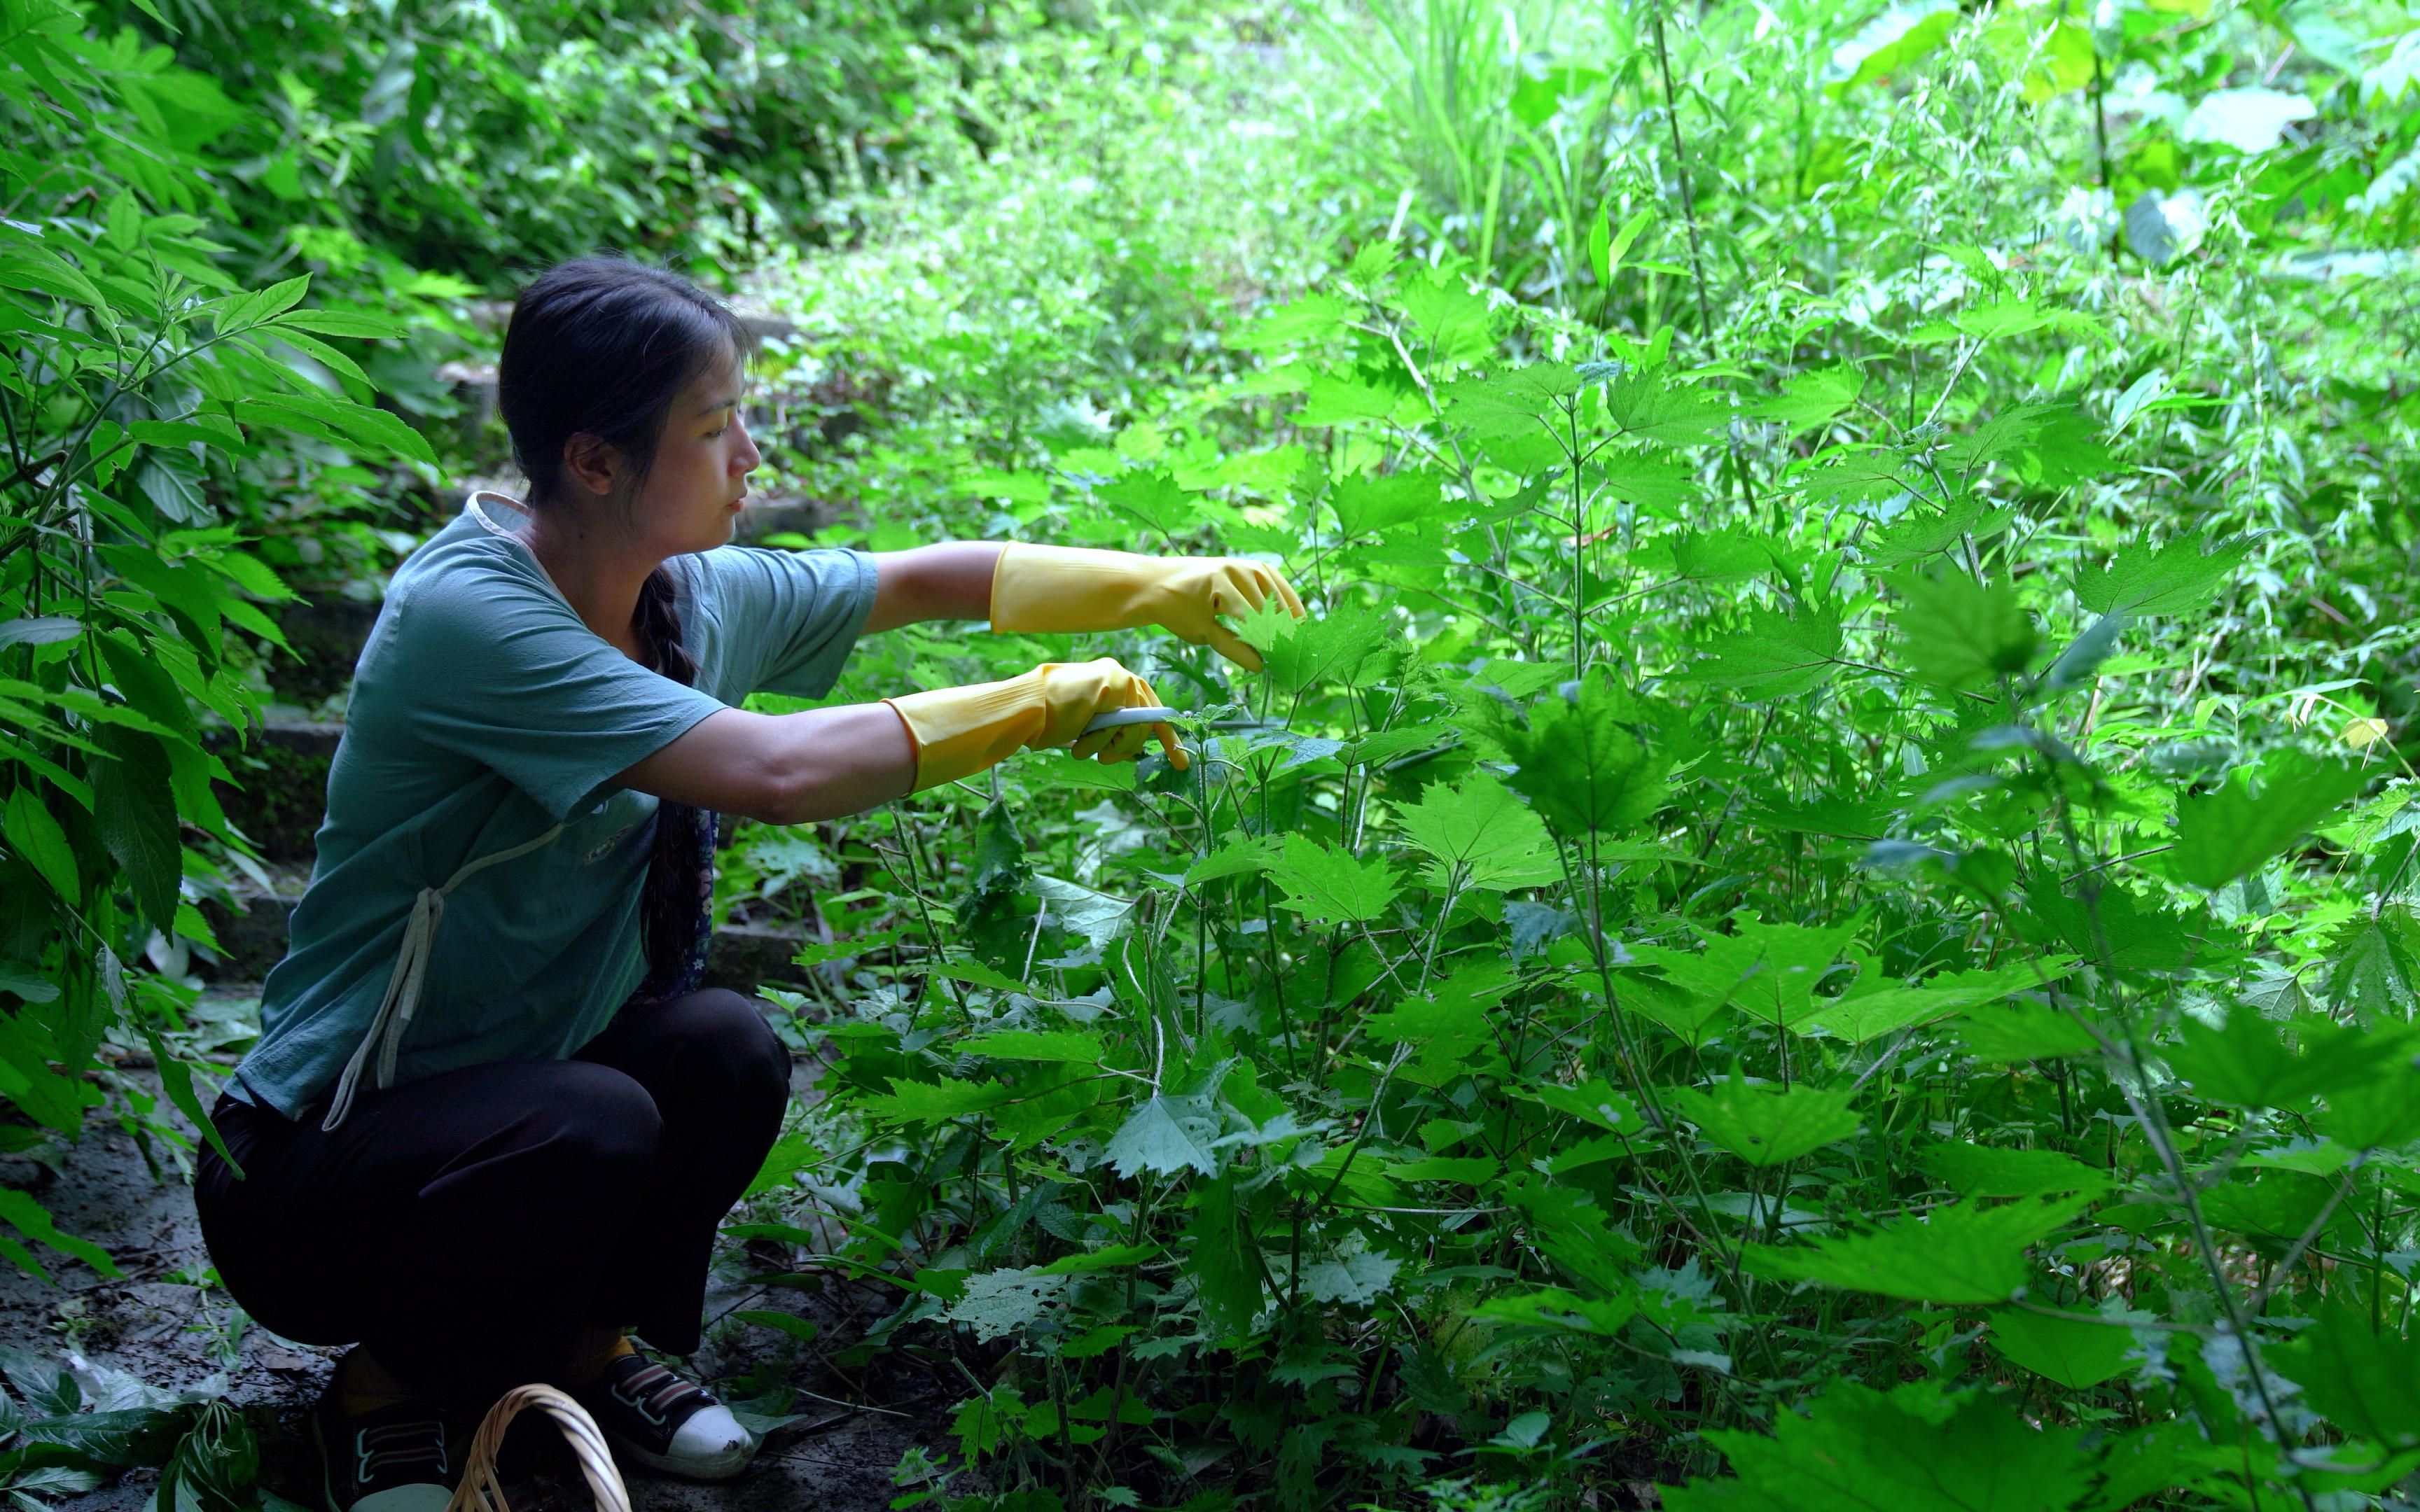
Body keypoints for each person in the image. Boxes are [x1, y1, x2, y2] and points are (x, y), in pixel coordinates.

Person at [191, 255, 1305, 1512]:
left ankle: (584, 1353)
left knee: (723, 1047)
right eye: (716, 429)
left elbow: (918, 579)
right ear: (597, 462)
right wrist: (1038, 707)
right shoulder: (471, 618)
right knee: (598, 1118)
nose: (753, 456)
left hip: (499, 1100)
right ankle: (387, 1391)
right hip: (309, 1174)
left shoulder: (685, 598)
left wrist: (1159, 584)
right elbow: (773, 769)